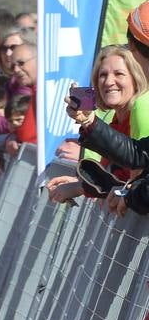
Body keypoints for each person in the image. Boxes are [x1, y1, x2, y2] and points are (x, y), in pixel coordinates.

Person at [47, 47, 149, 205]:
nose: (108, 82)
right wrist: (81, 183)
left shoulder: (142, 110)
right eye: (103, 75)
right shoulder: (115, 121)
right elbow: (115, 180)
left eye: (119, 74)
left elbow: (135, 180)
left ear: (136, 78)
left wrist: (81, 187)